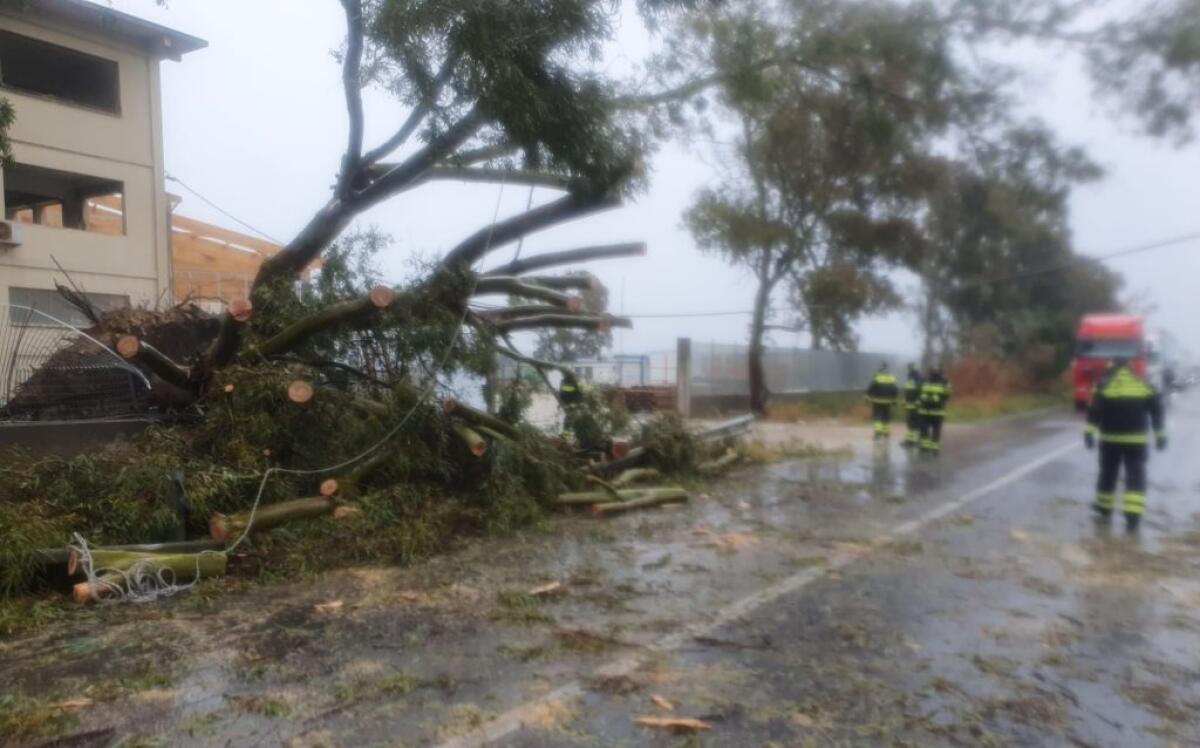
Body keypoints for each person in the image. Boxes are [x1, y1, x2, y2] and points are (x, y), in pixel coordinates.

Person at [1085, 357, 1167, 531]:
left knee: (1107, 474)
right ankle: (1133, 516)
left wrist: (1089, 434)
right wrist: (1160, 436)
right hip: (1136, 442)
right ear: (1131, 369)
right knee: (1136, 476)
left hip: (1110, 441)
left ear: (1112, 369)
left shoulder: (1103, 387)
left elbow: (1094, 413)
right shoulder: (1144, 386)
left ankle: (1104, 508)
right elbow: (1157, 412)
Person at [918, 365, 952, 454]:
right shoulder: (925, 380)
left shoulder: (945, 382)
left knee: (936, 430)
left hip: (937, 411)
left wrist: (936, 399)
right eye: (934, 370)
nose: (935, 372)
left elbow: (947, 395)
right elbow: (919, 392)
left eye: (936, 370)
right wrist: (923, 398)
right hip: (925, 410)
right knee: (924, 429)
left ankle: (934, 446)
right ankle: (925, 446)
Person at [865, 363, 900, 440]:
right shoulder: (891, 378)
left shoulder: (877, 377)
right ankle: (886, 433)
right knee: (886, 417)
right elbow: (895, 390)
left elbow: (871, 388)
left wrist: (867, 398)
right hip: (887, 401)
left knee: (877, 416)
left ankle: (878, 433)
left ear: (880, 370)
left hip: (877, 401)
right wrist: (894, 400)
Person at [903, 363, 924, 448]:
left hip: (916, 406)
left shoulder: (919, 379)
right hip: (910, 405)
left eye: (910, 369)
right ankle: (910, 440)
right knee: (910, 423)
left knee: (916, 423)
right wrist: (905, 400)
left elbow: (921, 391)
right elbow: (908, 391)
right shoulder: (911, 378)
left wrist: (918, 401)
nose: (909, 370)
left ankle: (916, 440)